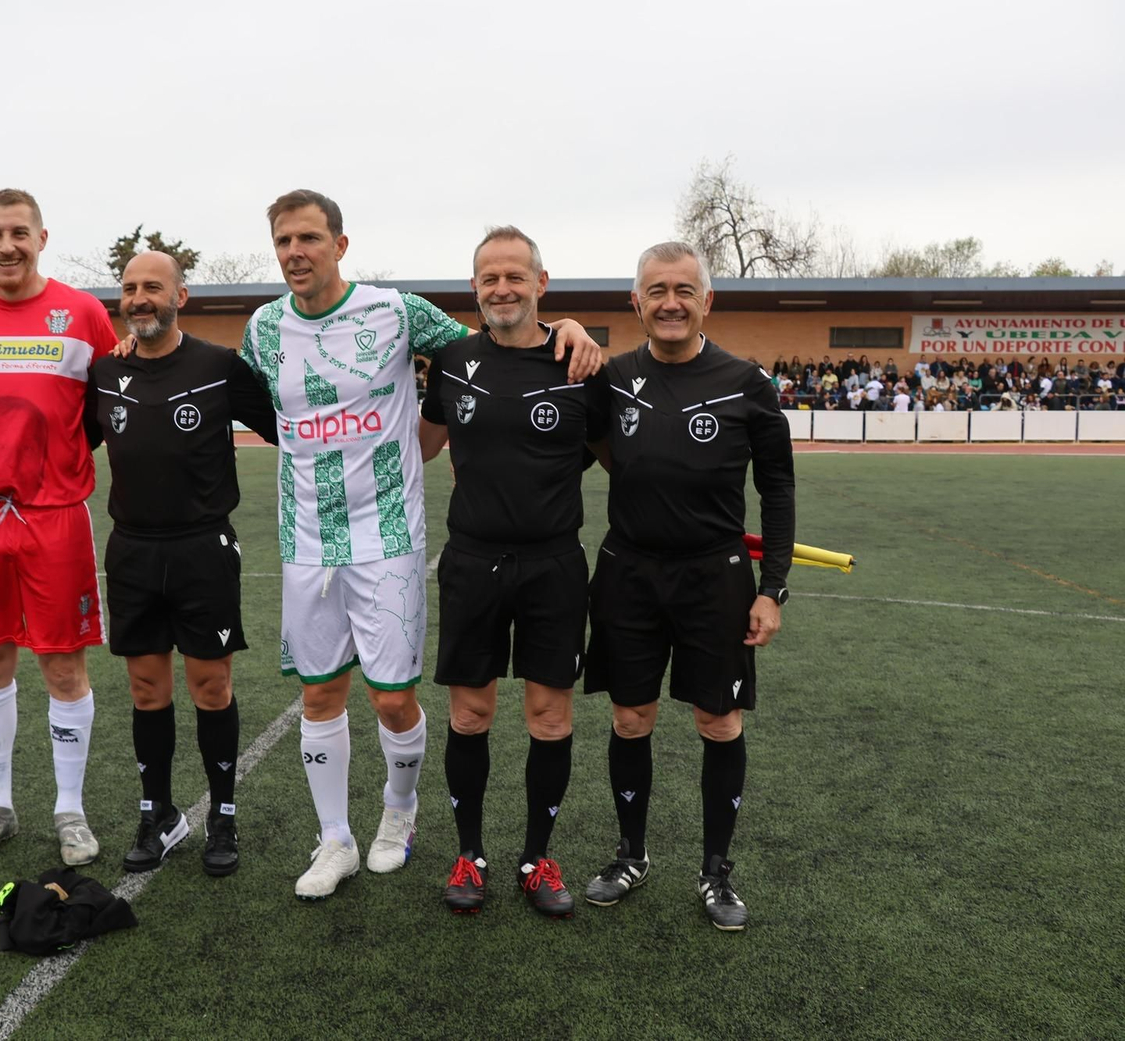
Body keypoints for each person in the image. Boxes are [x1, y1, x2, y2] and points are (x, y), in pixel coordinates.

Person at [238, 189, 600, 900]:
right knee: (319, 693)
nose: (295, 253)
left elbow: (493, 342)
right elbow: (239, 391)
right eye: (283, 241)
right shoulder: (262, 328)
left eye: (309, 238)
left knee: (393, 702)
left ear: (340, 244)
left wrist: (566, 326)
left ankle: (398, 817)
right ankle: (334, 839)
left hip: (389, 535)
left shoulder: (397, 312)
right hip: (307, 539)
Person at [581, 241, 794, 932]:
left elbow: (778, 489)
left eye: (684, 290)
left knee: (718, 722)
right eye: (656, 290)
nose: (670, 302)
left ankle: (716, 871)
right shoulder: (609, 380)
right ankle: (631, 854)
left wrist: (774, 588)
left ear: (708, 301)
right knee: (629, 720)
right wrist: (565, 330)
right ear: (635, 302)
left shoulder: (747, 382)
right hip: (628, 574)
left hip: (717, 578)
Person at [0, 188, 120, 865]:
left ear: (42, 238)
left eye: (18, 232)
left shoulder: (85, 313)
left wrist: (58, 462)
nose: (5, 245)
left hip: (55, 514)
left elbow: (105, 408)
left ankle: (70, 810)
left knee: (64, 664)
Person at [417, 227, 595, 918]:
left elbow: (619, 455)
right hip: (472, 561)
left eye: (515, 277)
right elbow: (422, 447)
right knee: (472, 711)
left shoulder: (578, 360)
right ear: (475, 289)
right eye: (489, 278)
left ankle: (536, 857)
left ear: (541, 284)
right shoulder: (455, 361)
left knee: (550, 717)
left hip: (554, 564)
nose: (502, 289)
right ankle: (470, 853)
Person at [87, 251, 279, 877]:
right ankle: (159, 813)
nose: (139, 298)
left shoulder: (219, 367)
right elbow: (67, 438)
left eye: (152, 288)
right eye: (130, 288)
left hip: (202, 549)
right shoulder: (105, 373)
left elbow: (290, 427)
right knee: (146, 688)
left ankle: (222, 814)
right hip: (132, 551)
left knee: (211, 687)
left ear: (180, 297)